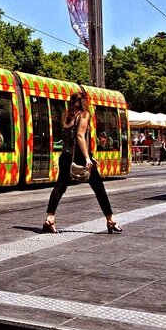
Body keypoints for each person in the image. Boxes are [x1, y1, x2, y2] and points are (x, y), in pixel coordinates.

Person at [43, 87, 121, 234]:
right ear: (82, 102)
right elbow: (80, 137)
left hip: (65, 156)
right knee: (99, 188)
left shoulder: (67, 118)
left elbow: (69, 138)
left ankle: (50, 218)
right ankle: (110, 220)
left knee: (60, 187)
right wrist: (87, 158)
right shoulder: (84, 115)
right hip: (78, 156)